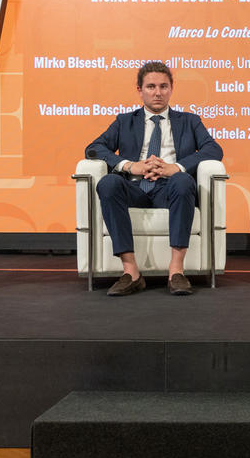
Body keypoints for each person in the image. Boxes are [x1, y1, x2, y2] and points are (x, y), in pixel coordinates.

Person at [86, 60, 223, 297]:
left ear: (171, 89)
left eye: (163, 86)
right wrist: (130, 166)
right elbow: (94, 148)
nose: (157, 92)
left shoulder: (190, 121)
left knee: (183, 180)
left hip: (170, 189)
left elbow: (214, 149)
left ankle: (176, 272)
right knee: (108, 183)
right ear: (140, 90)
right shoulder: (124, 121)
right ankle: (131, 272)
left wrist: (175, 167)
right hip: (134, 188)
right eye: (151, 87)